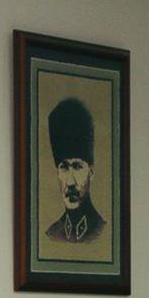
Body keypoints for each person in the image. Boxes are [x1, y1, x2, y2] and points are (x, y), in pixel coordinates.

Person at [45, 97, 106, 243]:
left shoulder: (103, 231)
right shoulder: (52, 234)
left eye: (78, 167)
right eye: (64, 167)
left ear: (91, 172)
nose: (70, 182)